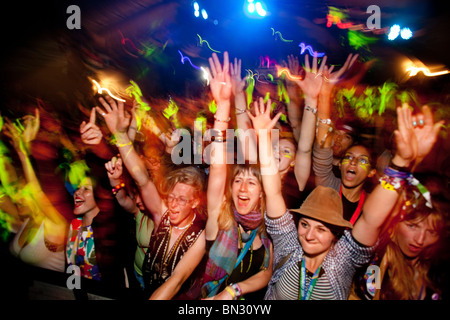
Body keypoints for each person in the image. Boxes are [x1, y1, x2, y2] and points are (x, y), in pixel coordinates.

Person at [250, 98, 443, 299]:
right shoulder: (288, 245)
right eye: (305, 224)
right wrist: (263, 137)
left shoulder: (342, 262)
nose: (309, 235)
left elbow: (370, 220)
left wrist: (401, 162)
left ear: (335, 234)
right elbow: (272, 193)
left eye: (321, 229)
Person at [96, 95, 207, 300]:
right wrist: (120, 135)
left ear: (195, 202)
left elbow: (176, 282)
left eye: (182, 200)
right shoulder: (162, 214)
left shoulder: (198, 236)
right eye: (171, 197)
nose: (173, 205)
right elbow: (142, 180)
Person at [201, 52, 273, 300]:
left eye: (252, 182)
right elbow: (219, 168)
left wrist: (233, 292)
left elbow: (267, 273)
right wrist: (222, 106)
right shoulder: (218, 215)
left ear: (263, 192)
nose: (243, 187)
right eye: (238, 180)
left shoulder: (268, 230)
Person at [351, 181, 446, 300]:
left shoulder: (435, 270)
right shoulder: (377, 263)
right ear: (395, 223)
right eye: (412, 226)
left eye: (431, 232)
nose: (420, 240)